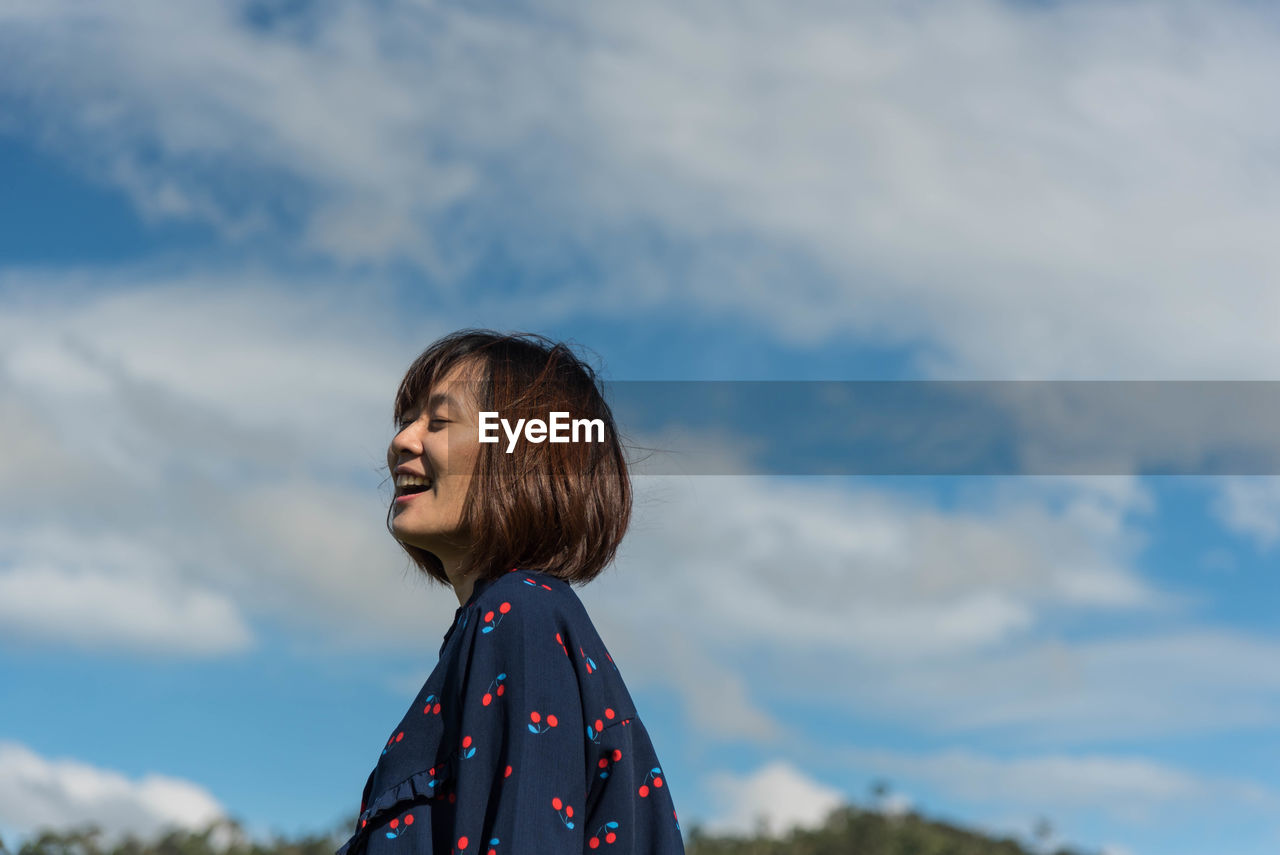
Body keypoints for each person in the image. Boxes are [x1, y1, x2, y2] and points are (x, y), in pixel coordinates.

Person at [335, 330, 686, 855]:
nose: (403, 441)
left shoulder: (521, 614)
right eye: (406, 421)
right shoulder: (506, 621)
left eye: (439, 421)